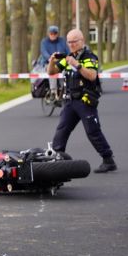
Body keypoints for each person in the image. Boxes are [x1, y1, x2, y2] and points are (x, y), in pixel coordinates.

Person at [47, 28, 116, 173]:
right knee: (62, 130)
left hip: (85, 101)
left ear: (82, 41)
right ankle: (55, 159)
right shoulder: (68, 57)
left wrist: (77, 65)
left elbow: (92, 76)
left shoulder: (89, 57)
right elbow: (51, 72)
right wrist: (52, 61)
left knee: (93, 132)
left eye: (74, 41)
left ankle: (108, 159)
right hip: (70, 102)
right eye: (69, 42)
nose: (71, 44)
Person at [40, 25, 69, 93]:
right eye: (51, 33)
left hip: (61, 62)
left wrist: (68, 57)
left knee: (66, 71)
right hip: (49, 62)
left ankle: (64, 89)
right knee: (52, 72)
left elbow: (68, 51)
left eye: (55, 33)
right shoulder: (44, 42)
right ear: (48, 34)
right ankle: (53, 91)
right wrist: (50, 59)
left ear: (57, 34)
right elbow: (44, 53)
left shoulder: (62, 41)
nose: (53, 35)